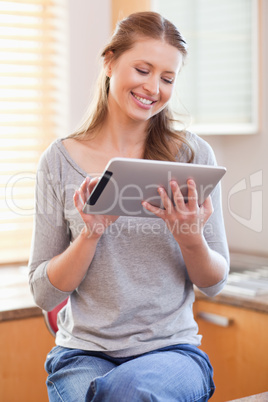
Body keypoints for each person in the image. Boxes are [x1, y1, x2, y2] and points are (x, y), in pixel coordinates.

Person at [29, 11, 229, 402]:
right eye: (143, 69)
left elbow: (215, 282)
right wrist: (91, 232)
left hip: (172, 352)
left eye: (168, 78)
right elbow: (44, 293)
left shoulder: (191, 156)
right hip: (82, 354)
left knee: (127, 393)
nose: (154, 87)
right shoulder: (59, 160)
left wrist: (191, 241)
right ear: (109, 62)